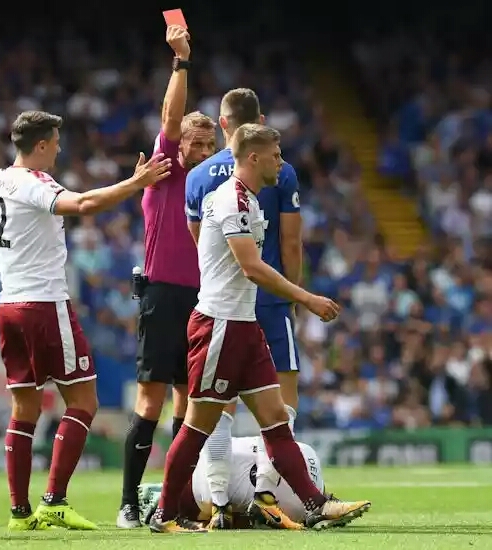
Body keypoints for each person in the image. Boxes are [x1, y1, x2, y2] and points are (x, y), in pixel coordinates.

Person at [149, 124, 370, 533]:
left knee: (275, 421)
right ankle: (165, 513)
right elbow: (251, 267)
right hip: (218, 325)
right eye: (275, 154)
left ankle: (316, 504)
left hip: (244, 326)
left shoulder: (247, 199)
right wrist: (305, 297)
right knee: (198, 424)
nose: (281, 162)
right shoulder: (233, 200)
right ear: (253, 157)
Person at [0, 110, 172, 531]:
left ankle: (19, 512)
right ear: (43, 145)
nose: (61, 149)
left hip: (8, 305)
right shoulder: (36, 183)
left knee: (25, 408)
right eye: (56, 141)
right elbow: (84, 203)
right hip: (44, 303)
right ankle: (54, 500)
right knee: (84, 402)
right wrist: (135, 183)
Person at [185, 88, 303, 529]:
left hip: (219, 302)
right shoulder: (282, 170)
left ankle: (217, 500)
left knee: (217, 409)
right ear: (260, 122)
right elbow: (290, 242)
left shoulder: (197, 176)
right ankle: (266, 493)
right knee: (282, 409)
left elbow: (204, 248)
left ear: (223, 124)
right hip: (268, 301)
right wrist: (297, 296)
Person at [118, 24, 216, 528]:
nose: (197, 150)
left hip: (203, 300)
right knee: (151, 399)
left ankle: (174, 502)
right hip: (161, 295)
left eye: (206, 145)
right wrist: (181, 62)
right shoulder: (164, 168)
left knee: (189, 402)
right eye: (193, 142)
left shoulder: (216, 186)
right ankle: (128, 501)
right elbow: (171, 116)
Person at [139, 415, 325, 528]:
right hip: (201, 488)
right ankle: (161, 498)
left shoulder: (309, 452)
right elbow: (251, 521)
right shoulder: (299, 512)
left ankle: (162, 497)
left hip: (208, 456)